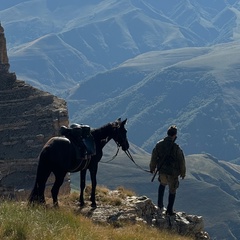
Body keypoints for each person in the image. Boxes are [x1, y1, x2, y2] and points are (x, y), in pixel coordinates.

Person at [150, 125, 186, 215]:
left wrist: (152, 167)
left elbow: (154, 156)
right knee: (172, 190)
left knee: (162, 185)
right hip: (172, 173)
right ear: (175, 135)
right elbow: (181, 161)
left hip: (162, 170)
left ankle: (160, 205)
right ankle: (169, 210)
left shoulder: (159, 144)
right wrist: (183, 173)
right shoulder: (176, 147)